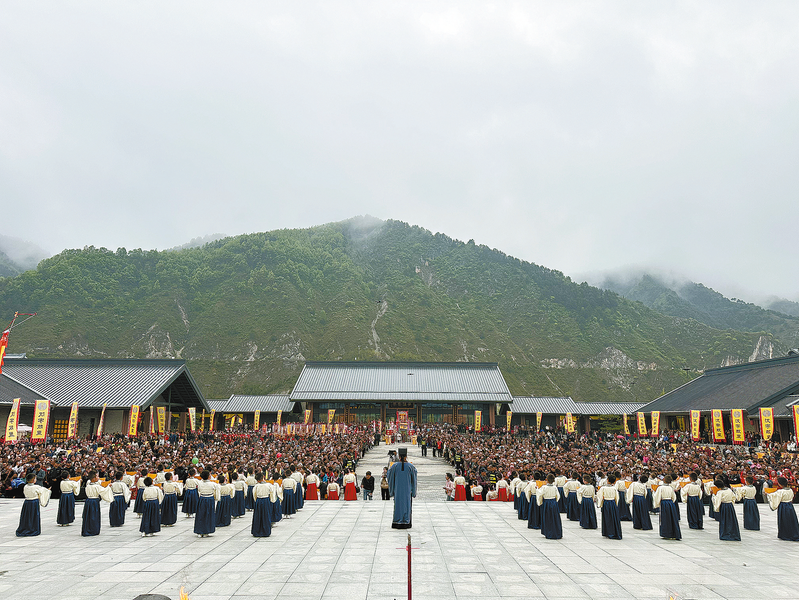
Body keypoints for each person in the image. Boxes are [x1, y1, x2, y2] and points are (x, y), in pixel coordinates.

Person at [388, 447, 417, 529]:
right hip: (407, 490)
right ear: (406, 456)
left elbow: (389, 476)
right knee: (407, 505)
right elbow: (414, 479)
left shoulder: (394, 466)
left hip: (397, 490)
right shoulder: (411, 467)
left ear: (399, 456)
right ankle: (406, 521)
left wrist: (391, 490)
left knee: (398, 505)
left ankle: (397, 521)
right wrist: (413, 491)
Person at [767, 477, 799, 541]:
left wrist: (768, 494)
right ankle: (793, 533)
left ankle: (785, 534)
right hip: (790, 505)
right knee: (791, 519)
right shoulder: (790, 490)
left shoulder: (780, 491)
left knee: (784, 520)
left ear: (779, 484)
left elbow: (774, 496)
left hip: (783, 506)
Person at [82, 470, 111, 537]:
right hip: (94, 501)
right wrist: (108, 486)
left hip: (88, 501)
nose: (98, 478)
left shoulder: (88, 485)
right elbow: (103, 491)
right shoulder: (96, 486)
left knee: (88, 516)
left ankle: (87, 528)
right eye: (97, 476)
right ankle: (93, 529)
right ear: (94, 478)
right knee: (93, 516)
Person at [653, 475, 681, 540]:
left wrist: (657, 504)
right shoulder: (671, 488)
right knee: (672, 518)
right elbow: (674, 497)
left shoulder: (660, 488)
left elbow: (657, 496)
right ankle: (674, 533)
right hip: (670, 503)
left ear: (664, 480)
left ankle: (666, 533)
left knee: (665, 518)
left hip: (664, 502)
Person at [537, 474, 563, 539]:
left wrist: (540, 502)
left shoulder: (544, 487)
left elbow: (540, 494)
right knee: (555, 517)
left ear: (547, 480)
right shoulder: (555, 487)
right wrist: (555, 501)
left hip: (546, 503)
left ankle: (548, 532)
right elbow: (558, 496)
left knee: (547, 517)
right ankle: (556, 531)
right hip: (553, 503)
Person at [194, 470, 219, 538]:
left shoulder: (199, 483)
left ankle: (200, 531)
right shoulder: (213, 484)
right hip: (210, 499)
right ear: (208, 476)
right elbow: (216, 492)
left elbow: (199, 491)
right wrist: (216, 498)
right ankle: (206, 531)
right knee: (208, 515)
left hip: (202, 498)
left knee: (200, 515)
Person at [597, 475, 622, 540]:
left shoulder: (603, 488)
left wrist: (600, 504)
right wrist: (616, 504)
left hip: (606, 503)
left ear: (607, 480)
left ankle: (608, 532)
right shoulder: (614, 488)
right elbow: (617, 497)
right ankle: (614, 531)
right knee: (613, 517)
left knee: (607, 518)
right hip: (613, 503)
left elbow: (600, 496)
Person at [251, 472, 273, 537]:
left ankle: (257, 531)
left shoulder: (256, 486)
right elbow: (272, 493)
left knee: (258, 516)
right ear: (263, 477)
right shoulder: (269, 485)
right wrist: (271, 500)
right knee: (266, 515)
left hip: (259, 500)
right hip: (266, 500)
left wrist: (256, 500)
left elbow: (254, 494)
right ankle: (266, 531)